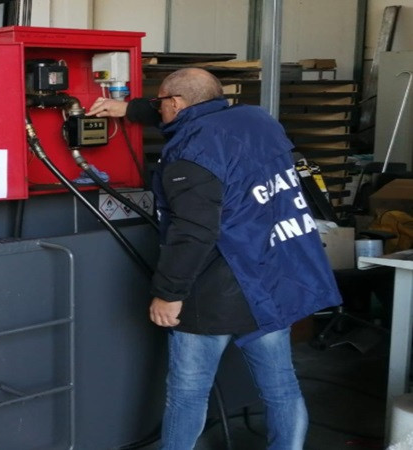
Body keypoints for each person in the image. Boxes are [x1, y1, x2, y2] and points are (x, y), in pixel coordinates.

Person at [89, 68, 341, 449]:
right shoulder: (257, 121)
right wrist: (129, 109)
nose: (159, 109)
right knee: (281, 388)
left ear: (175, 103)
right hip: (271, 278)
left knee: (188, 395)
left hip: (216, 290)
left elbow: (193, 232)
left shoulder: (190, 156)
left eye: (161, 103)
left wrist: (168, 293)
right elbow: (192, 112)